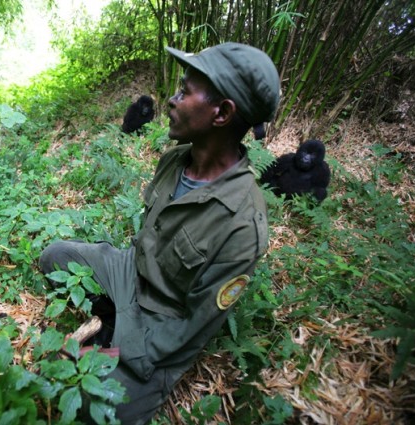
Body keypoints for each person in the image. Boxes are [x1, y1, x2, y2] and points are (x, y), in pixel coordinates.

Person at [39, 41, 280, 424]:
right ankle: (112, 316)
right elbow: (145, 241)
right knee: (53, 257)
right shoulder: (174, 159)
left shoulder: (243, 225)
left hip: (163, 323)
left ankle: (118, 335)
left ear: (222, 113)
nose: (171, 99)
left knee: (92, 403)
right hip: (130, 272)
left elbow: (194, 325)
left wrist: (119, 352)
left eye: (185, 91)